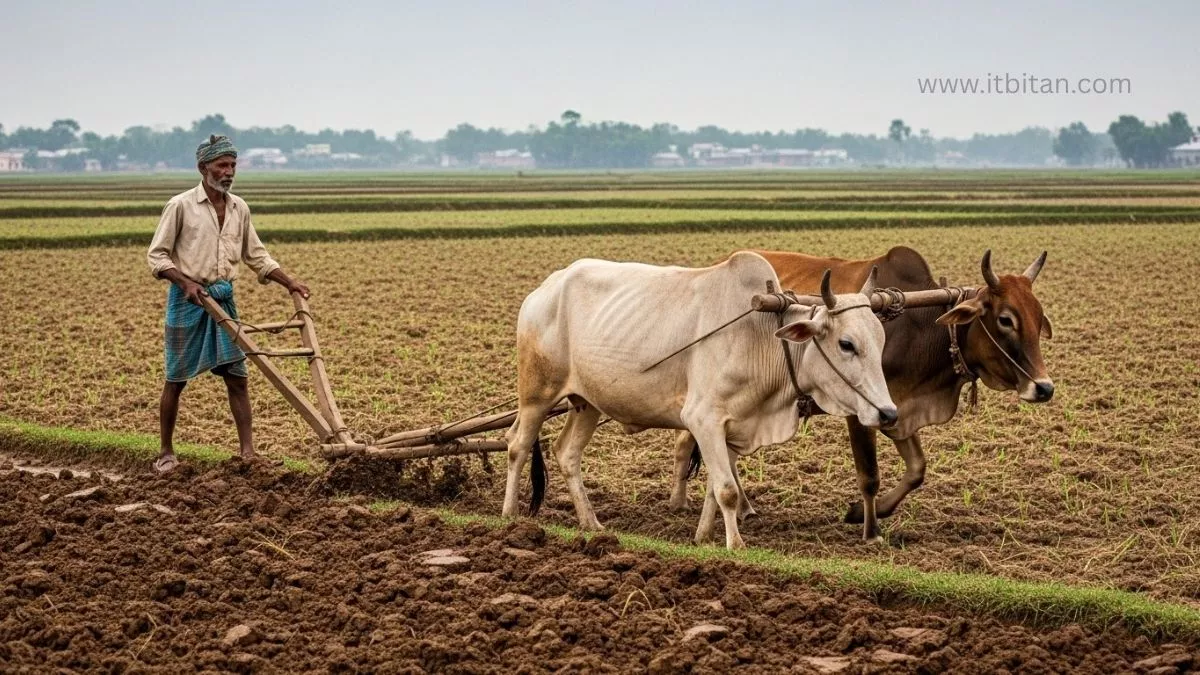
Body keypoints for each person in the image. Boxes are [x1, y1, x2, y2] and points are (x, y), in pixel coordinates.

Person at [146, 134, 310, 472]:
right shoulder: (180, 206)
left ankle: (248, 453)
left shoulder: (239, 208)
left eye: (233, 165)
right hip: (188, 300)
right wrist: (185, 282)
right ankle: (165, 452)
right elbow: (157, 256)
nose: (229, 171)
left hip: (222, 298)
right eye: (222, 165)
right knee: (176, 378)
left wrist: (290, 282)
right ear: (203, 167)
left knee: (237, 376)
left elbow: (257, 256)